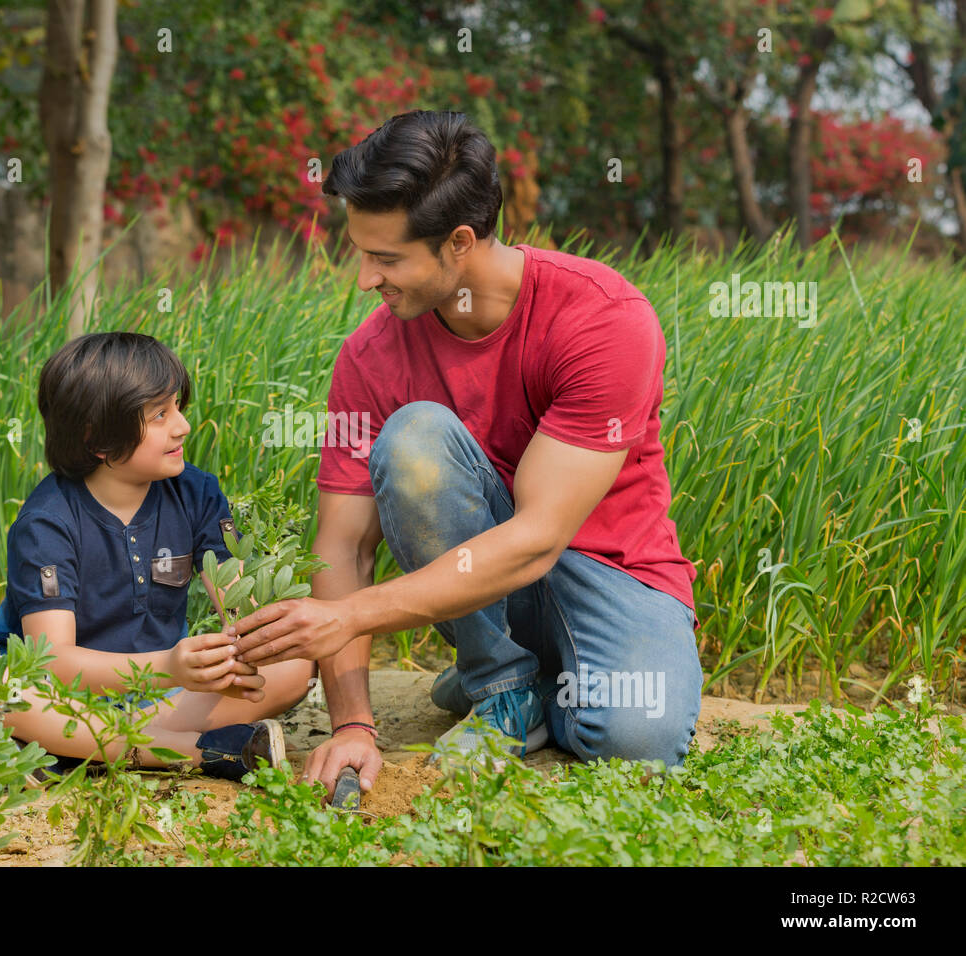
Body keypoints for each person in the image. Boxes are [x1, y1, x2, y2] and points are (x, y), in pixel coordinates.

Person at [227, 109, 703, 800]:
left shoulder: (603, 318)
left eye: (386, 258)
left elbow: (539, 541)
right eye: (360, 252)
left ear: (459, 242)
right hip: (490, 577)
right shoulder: (367, 356)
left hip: (611, 570)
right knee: (416, 438)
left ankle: (537, 672)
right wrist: (354, 723)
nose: (365, 279)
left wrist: (353, 617)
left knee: (636, 741)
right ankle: (505, 684)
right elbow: (343, 547)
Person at [0, 332, 314, 781]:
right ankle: (200, 753)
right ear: (98, 439)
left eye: (177, 406)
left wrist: (238, 652)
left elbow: (242, 610)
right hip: (68, 694)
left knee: (293, 664)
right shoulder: (47, 522)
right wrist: (166, 665)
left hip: (162, 697)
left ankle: (83, 748)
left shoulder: (197, 493)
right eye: (160, 414)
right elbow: (55, 663)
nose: (182, 426)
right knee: (6, 697)